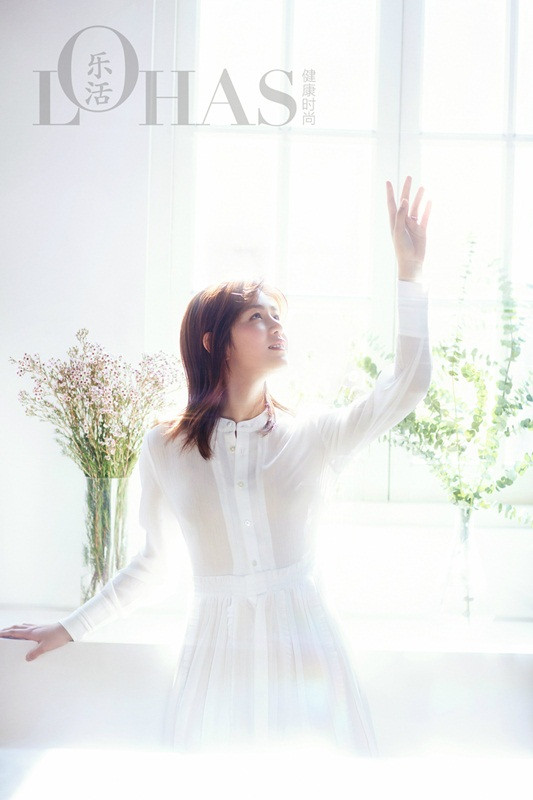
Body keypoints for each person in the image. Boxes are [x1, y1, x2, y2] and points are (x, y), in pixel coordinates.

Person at [0, 176, 432, 754]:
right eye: (257, 317)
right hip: (216, 654)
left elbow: (408, 385)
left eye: (277, 315)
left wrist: (410, 275)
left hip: (305, 647)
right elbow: (155, 564)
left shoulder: (315, 435)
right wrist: (71, 626)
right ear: (213, 341)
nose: (277, 326)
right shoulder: (164, 447)